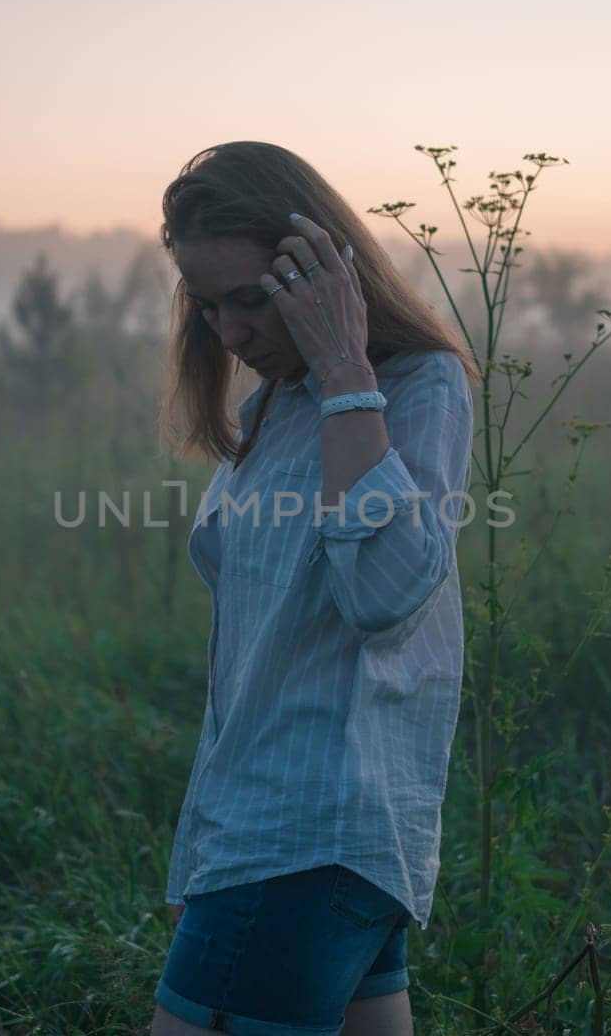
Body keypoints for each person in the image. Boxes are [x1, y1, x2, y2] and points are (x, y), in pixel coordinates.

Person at [152, 141, 479, 1036]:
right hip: (282, 833)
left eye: (252, 300)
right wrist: (205, 853)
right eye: (207, 303)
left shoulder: (416, 387)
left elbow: (384, 593)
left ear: (326, 274)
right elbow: (260, 651)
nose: (229, 333)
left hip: (306, 840)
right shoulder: (273, 409)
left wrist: (345, 372)